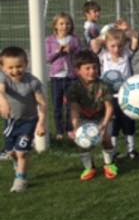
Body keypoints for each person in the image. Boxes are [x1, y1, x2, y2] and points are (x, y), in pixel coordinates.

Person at [0, 46, 46, 192]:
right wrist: (3, 101)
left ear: (26, 64)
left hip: (29, 121)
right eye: (10, 67)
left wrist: (41, 124)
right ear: (3, 68)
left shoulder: (33, 82)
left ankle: (21, 179)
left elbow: (42, 104)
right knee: (11, 152)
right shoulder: (3, 78)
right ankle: (16, 162)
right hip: (11, 121)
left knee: (22, 152)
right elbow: (0, 90)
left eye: (19, 66)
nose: (15, 71)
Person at [91, 24, 139, 158]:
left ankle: (131, 149)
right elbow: (94, 43)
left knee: (128, 120)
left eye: (119, 46)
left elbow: (135, 38)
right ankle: (113, 149)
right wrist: (105, 36)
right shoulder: (103, 55)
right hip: (109, 95)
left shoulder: (126, 54)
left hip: (126, 94)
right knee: (113, 122)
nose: (116, 49)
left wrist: (126, 31)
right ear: (106, 45)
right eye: (112, 46)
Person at [67, 50, 116, 181]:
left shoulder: (103, 85)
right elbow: (74, 109)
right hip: (84, 118)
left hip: (102, 117)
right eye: (87, 68)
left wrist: (104, 124)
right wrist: (76, 126)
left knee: (106, 138)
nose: (92, 71)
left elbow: (109, 107)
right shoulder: (74, 88)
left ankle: (109, 165)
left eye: (95, 67)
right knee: (82, 142)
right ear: (78, 71)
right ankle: (89, 168)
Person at [44, 12, 80, 141]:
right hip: (56, 77)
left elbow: (80, 54)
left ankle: (69, 129)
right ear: (55, 26)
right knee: (57, 105)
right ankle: (59, 130)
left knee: (70, 105)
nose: (65, 26)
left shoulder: (74, 39)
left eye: (67, 24)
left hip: (71, 77)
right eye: (61, 24)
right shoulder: (50, 40)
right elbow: (48, 58)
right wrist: (58, 51)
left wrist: (72, 50)